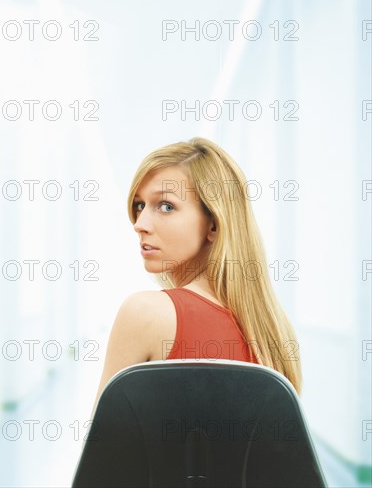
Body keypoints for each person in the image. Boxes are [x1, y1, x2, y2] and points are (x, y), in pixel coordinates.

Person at [89, 136, 302, 419]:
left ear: (213, 224)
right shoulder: (273, 335)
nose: (139, 225)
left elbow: (102, 456)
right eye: (139, 205)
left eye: (165, 206)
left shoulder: (144, 314)